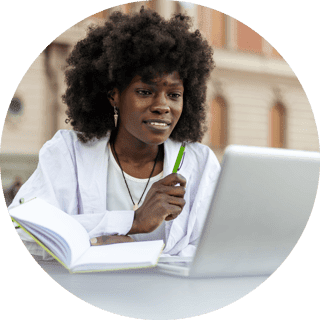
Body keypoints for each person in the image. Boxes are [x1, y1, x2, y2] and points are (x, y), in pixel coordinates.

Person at [9, 7, 220, 258]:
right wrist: (132, 221)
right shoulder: (68, 153)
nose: (163, 106)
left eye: (174, 95)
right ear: (114, 95)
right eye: (145, 91)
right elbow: (20, 231)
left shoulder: (201, 163)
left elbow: (217, 249)